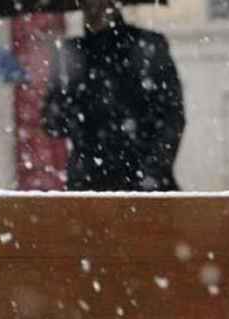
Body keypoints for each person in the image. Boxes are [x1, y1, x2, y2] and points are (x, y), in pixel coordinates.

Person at [42, 0, 185, 191]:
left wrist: (152, 172)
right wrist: (60, 80)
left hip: (138, 185)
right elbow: (53, 123)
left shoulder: (146, 47)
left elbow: (172, 117)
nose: (91, 7)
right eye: (85, 3)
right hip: (90, 185)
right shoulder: (72, 53)